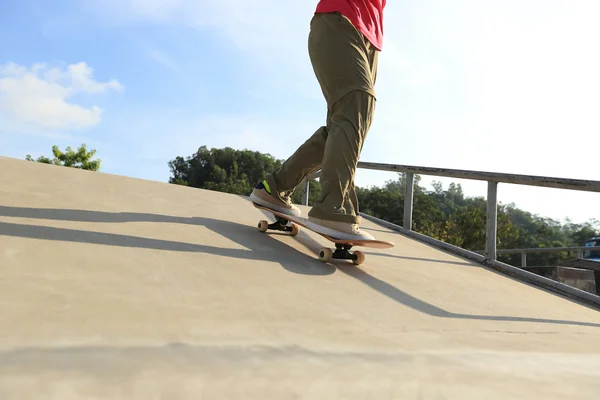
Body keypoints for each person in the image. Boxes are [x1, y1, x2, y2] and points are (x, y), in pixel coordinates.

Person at [250, 0, 386, 240]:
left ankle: (274, 187)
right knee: (357, 102)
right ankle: (332, 208)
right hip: (340, 18)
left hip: (371, 36)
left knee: (343, 124)